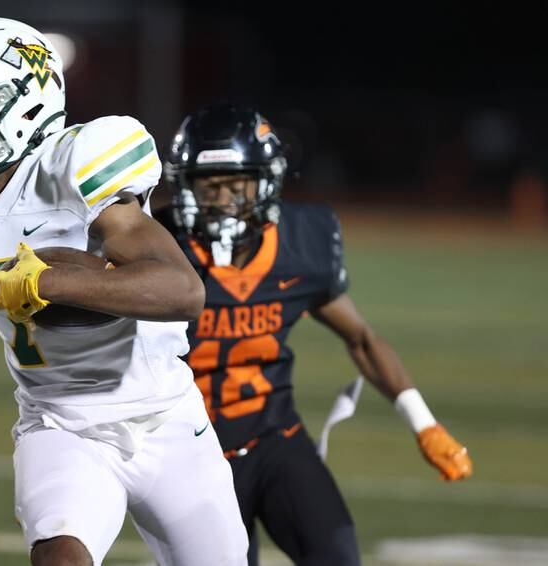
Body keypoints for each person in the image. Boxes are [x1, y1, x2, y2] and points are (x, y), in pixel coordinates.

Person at [0, 17, 248, 566]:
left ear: (23, 108)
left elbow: (181, 290)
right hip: (57, 419)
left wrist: (45, 280)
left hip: (165, 420)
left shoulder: (74, 168)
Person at [160, 102, 474, 566]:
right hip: (191, 453)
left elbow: (362, 339)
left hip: (275, 438)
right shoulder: (158, 247)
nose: (222, 201)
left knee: (337, 555)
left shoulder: (299, 244)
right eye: (209, 187)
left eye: (235, 185)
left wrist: (424, 424)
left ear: (265, 182)